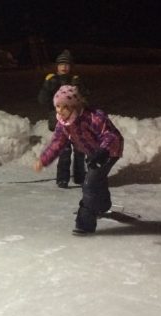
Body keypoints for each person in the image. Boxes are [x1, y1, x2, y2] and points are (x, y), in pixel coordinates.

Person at [34, 85, 124, 234]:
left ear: (75, 106)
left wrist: (103, 151)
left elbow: (111, 136)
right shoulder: (63, 123)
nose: (60, 111)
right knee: (97, 179)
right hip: (92, 151)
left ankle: (85, 224)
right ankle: (102, 205)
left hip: (109, 151)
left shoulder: (94, 117)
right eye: (57, 106)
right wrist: (43, 160)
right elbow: (57, 143)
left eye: (65, 107)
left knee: (90, 183)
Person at [37, 49, 89, 188]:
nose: (64, 67)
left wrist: (80, 89)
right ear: (57, 66)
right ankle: (62, 179)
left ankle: (80, 177)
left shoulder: (75, 80)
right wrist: (47, 87)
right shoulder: (52, 80)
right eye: (61, 64)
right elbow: (42, 101)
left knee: (80, 151)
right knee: (64, 151)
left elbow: (85, 100)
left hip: (77, 122)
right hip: (60, 123)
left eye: (67, 64)